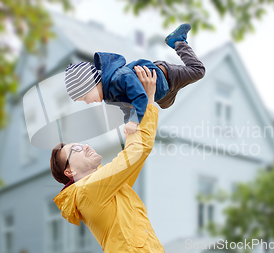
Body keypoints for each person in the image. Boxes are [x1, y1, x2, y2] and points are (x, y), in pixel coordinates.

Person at [51, 66, 165, 252]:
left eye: (82, 143)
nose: (85, 146)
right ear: (69, 171)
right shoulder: (87, 190)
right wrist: (143, 106)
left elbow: (141, 150)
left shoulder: (109, 187)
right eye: (76, 149)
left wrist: (147, 105)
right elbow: (135, 152)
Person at [64, 23, 205, 136]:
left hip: (166, 75)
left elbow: (140, 97)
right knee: (166, 105)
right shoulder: (108, 96)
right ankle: (177, 86)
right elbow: (126, 108)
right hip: (163, 93)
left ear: (93, 84)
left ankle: (178, 41)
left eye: (86, 97)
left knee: (198, 71)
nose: (88, 102)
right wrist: (129, 124)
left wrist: (134, 121)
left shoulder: (119, 77)